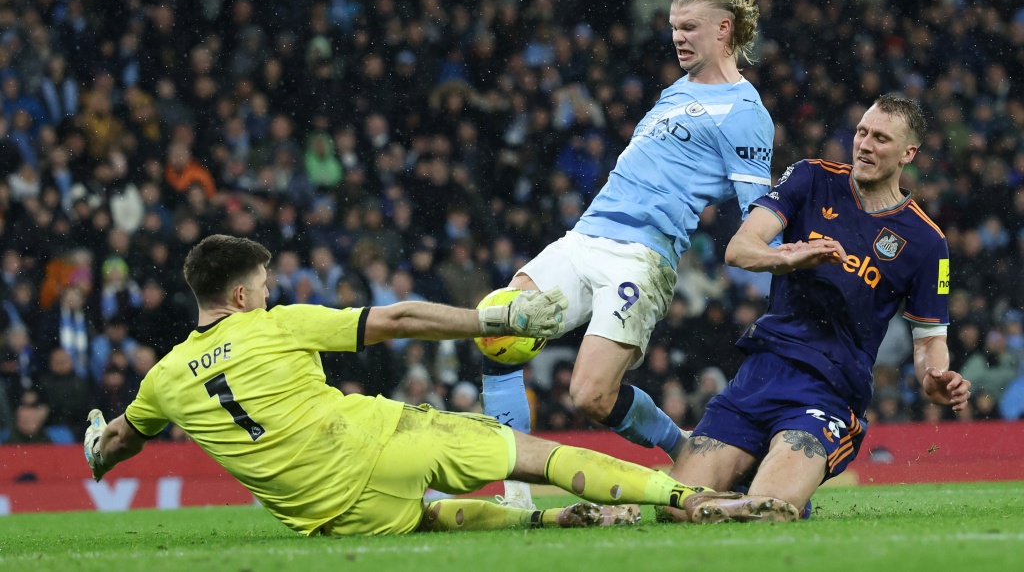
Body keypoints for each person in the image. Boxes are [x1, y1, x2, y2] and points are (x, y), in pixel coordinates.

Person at [83, 235, 780, 536]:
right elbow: (399, 317)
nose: (268, 297)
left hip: (324, 514)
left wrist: (94, 448)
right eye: (261, 290)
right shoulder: (279, 324)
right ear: (239, 297)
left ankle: (544, 522)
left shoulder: (163, 380)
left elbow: (114, 447)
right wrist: (490, 317)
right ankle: (691, 497)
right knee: (530, 454)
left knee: (423, 516)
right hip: (376, 443)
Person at [482, 0, 774, 508]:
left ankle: (681, 448)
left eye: (688, 28)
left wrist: (789, 256)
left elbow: (760, 209)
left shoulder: (745, 112)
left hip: (641, 258)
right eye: (672, 29)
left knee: (590, 397)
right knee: (498, 329)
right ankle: (515, 497)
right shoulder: (676, 90)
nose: (677, 39)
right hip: (585, 237)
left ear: (723, 29)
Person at [660, 94, 972, 523]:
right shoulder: (810, 178)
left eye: (881, 138)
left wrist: (932, 376)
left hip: (828, 393)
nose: (864, 144)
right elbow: (740, 248)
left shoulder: (925, 241)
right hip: (762, 371)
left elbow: (930, 339)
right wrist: (791, 256)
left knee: (763, 512)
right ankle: (757, 472)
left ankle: (779, 482)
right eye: (862, 132)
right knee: (676, 511)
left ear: (908, 153)